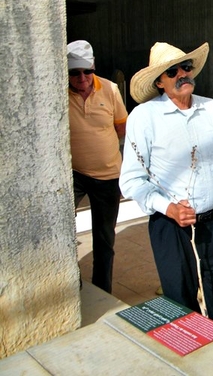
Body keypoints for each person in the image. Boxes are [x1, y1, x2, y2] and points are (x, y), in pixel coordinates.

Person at [119, 41, 213, 337]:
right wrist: (169, 208)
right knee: (180, 300)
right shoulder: (144, 117)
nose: (182, 74)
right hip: (169, 226)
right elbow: (131, 180)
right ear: (159, 82)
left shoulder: (212, 109)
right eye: (172, 71)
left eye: (186, 67)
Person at [68, 40, 127, 294]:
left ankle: (103, 290)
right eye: (74, 72)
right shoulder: (56, 92)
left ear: (93, 67)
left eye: (86, 71)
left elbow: (121, 128)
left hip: (108, 176)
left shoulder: (111, 90)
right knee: (60, 231)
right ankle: (69, 282)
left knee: (104, 238)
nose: (82, 78)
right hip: (73, 175)